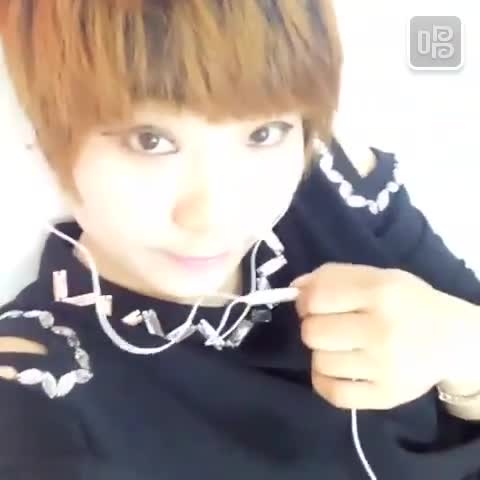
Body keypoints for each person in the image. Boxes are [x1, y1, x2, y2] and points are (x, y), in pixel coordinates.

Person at [0, 1, 480, 479]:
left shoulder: (336, 184)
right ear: (48, 132)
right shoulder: (35, 384)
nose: (215, 216)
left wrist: (459, 348)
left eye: (265, 133)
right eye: (150, 140)